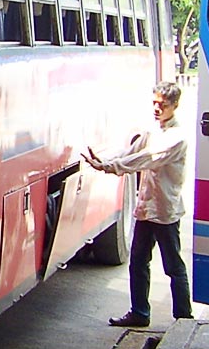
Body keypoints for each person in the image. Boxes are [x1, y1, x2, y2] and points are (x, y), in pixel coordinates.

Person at [82, 81, 193, 327]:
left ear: (174, 106)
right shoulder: (153, 131)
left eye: (162, 105)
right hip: (146, 209)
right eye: (154, 103)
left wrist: (112, 167)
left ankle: (184, 318)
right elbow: (130, 151)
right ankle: (140, 313)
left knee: (173, 266)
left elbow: (146, 158)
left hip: (165, 212)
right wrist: (105, 161)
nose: (156, 108)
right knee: (138, 263)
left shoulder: (176, 137)